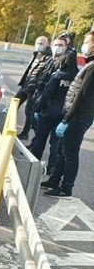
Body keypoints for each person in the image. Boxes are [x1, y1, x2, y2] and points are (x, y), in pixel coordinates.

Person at [43, 30, 94, 198]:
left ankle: (66, 187)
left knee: (69, 153)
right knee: (61, 151)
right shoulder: (89, 65)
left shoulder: (92, 68)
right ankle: (55, 180)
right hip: (76, 115)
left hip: (79, 117)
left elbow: (81, 96)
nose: (84, 45)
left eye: (88, 42)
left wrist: (66, 119)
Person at [28, 46, 78, 164]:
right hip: (65, 113)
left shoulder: (57, 75)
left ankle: (35, 164)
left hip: (49, 111)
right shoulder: (77, 76)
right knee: (56, 142)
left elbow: (47, 94)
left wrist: (37, 109)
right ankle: (51, 166)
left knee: (40, 139)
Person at [18, 35, 52, 139]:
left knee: (29, 111)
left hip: (34, 89)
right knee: (14, 103)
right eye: (37, 43)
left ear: (47, 45)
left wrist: (38, 87)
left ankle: (25, 133)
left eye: (42, 43)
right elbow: (30, 70)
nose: (39, 45)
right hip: (25, 85)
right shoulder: (35, 54)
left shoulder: (48, 59)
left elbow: (44, 75)